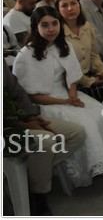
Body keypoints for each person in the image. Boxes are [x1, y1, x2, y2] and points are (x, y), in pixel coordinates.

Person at [12, 7, 103, 188]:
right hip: (46, 103)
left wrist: (72, 94)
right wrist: (65, 101)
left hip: (67, 95)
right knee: (86, 124)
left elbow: (72, 76)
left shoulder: (63, 45)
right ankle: (77, 169)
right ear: (35, 27)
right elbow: (31, 95)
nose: (51, 29)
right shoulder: (26, 55)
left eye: (54, 24)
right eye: (45, 25)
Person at [3, 60, 86, 215]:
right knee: (46, 141)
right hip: (7, 128)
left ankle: (30, 180)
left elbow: (17, 92)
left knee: (76, 133)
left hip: (20, 119)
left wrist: (31, 117)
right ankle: (38, 195)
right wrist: (22, 124)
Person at [57, 0, 103, 117]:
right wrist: (89, 81)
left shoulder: (86, 26)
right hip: (73, 83)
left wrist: (102, 71)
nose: (70, 8)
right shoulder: (58, 33)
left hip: (90, 76)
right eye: (64, 6)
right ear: (58, 9)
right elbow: (66, 69)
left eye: (73, 3)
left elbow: (94, 54)